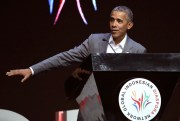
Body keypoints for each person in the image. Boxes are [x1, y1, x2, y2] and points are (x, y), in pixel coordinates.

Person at [6, 5, 146, 121]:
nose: (114, 24)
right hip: (91, 111)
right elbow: (65, 57)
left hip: (120, 113)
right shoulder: (94, 41)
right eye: (112, 20)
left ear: (129, 25)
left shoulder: (138, 50)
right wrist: (32, 70)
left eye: (119, 21)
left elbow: (139, 86)